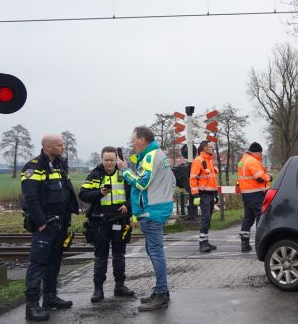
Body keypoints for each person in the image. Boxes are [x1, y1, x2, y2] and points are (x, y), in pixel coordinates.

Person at [21, 134, 80, 321]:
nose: (63, 147)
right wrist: (41, 222)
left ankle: (50, 297)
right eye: (60, 145)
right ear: (48, 147)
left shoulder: (60, 165)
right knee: (38, 263)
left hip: (60, 223)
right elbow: (30, 198)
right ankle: (31, 306)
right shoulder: (34, 167)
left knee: (54, 262)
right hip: (45, 224)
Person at [116, 126, 175, 311]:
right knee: (154, 250)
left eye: (133, 140)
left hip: (152, 211)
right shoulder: (159, 154)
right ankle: (160, 290)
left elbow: (141, 182)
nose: (132, 144)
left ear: (142, 140)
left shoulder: (150, 157)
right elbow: (172, 180)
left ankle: (161, 293)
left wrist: (125, 171)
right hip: (158, 208)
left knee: (156, 252)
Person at [79, 146, 135, 303]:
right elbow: (83, 194)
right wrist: (99, 193)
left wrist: (127, 206)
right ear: (101, 160)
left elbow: (135, 193)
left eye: (112, 160)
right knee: (100, 256)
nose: (109, 163)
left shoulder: (124, 174)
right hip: (99, 221)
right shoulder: (95, 175)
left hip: (119, 219)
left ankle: (120, 286)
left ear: (117, 159)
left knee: (119, 255)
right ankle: (98, 289)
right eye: (106, 160)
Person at [237, 142, 271, 253]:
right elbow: (259, 178)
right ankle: (259, 244)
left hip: (246, 193)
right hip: (256, 193)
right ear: (256, 152)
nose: (261, 156)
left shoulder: (242, 161)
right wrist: (269, 177)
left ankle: (244, 243)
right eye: (260, 154)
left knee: (248, 218)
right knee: (260, 218)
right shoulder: (252, 161)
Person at [189, 140, 219, 253]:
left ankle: (206, 241)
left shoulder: (209, 161)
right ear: (204, 148)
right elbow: (193, 179)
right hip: (203, 194)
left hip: (210, 194)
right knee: (205, 218)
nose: (212, 148)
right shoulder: (198, 161)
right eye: (210, 146)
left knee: (208, 218)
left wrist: (215, 195)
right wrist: (196, 195)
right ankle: (202, 243)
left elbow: (212, 180)